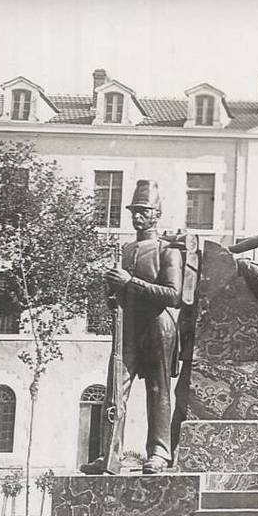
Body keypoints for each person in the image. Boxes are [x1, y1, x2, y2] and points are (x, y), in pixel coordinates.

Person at [81, 180, 184, 475]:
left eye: (143, 211)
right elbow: (120, 293)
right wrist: (112, 294)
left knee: (157, 389)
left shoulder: (168, 251)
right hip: (128, 327)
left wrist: (129, 283)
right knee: (116, 389)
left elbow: (173, 295)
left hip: (158, 326)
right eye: (134, 211)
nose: (137, 217)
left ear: (156, 214)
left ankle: (159, 453)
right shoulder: (126, 250)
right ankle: (109, 454)